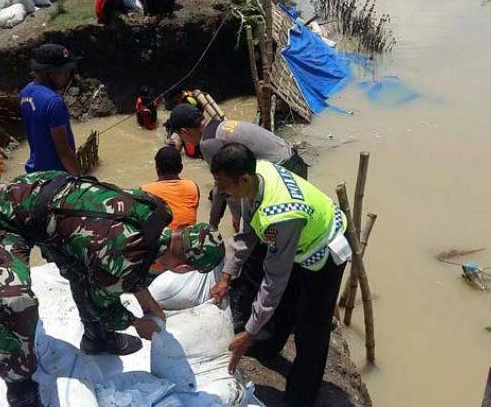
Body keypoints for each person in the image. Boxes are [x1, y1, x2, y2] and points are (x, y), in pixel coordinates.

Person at [0, 171, 225, 407]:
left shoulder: (158, 211)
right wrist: (137, 322)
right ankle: (19, 387)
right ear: (182, 269)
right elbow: (106, 306)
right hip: (3, 217)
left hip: (47, 196)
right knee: (17, 301)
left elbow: (122, 255)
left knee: (82, 271)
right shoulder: (123, 256)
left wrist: (148, 302)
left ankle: (96, 339)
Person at [208, 143, 350, 407]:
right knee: (284, 305)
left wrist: (248, 333)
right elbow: (247, 234)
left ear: (244, 180)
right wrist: (226, 276)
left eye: (223, 184)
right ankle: (269, 347)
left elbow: (274, 279)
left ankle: (301, 396)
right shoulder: (257, 175)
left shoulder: (280, 215)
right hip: (298, 243)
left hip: (323, 251)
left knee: (311, 328)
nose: (220, 190)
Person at [167, 103, 304, 228]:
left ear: (185, 132)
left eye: (179, 135)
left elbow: (224, 186)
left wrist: (216, 224)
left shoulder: (207, 143)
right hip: (295, 162)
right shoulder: (219, 125)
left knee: (263, 233)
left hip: (282, 172)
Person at [20, 44, 81, 175]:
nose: (67, 76)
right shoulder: (54, 102)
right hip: (57, 177)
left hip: (35, 173)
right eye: (63, 72)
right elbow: (64, 152)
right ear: (48, 72)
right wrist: (79, 179)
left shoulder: (25, 92)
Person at [141, 146, 199, 231]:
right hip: (189, 239)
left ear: (157, 168)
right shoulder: (192, 186)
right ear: (181, 168)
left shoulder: (145, 190)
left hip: (163, 240)